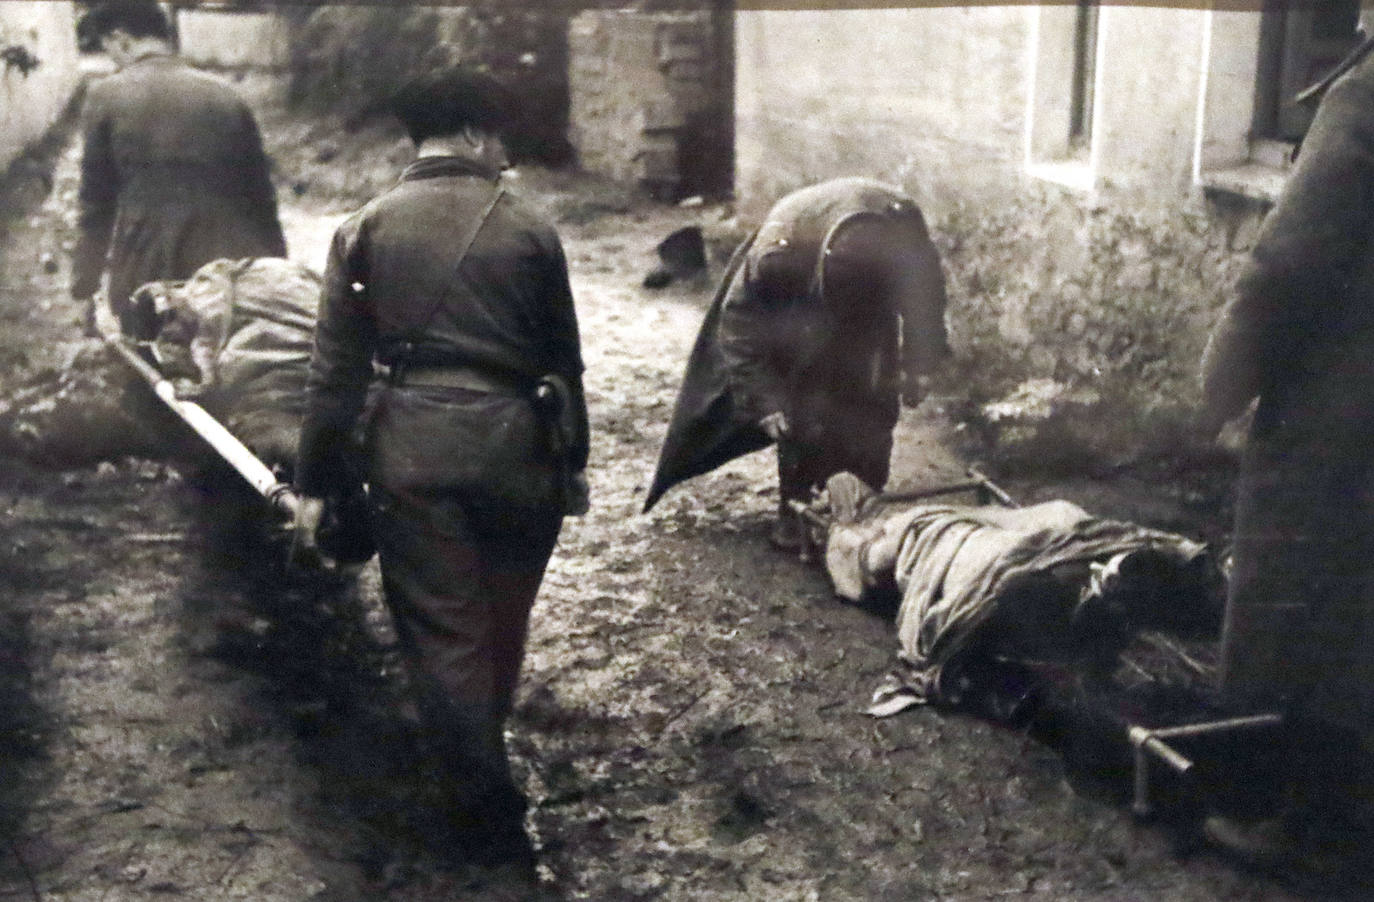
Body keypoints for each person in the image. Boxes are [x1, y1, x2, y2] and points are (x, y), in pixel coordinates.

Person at [292, 67, 589, 871]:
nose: (503, 154)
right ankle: (484, 769)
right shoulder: (531, 228)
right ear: (470, 134)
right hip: (519, 449)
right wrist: (575, 464)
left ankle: (480, 809)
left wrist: (316, 481)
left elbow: (334, 379)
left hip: (414, 454)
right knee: (502, 620)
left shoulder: (364, 229)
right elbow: (566, 362)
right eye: (498, 138)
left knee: (444, 634)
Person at [1198, 28, 1374, 868]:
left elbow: (1285, 269)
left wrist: (1214, 392)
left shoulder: (1365, 96)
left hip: (1346, 422)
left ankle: (1308, 826)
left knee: (1310, 606)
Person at [643, 178, 951, 549]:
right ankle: (796, 509)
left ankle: (865, 505)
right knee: (802, 399)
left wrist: (919, 363)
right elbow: (740, 324)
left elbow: (926, 301)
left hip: (867, 295)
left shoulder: (904, 237)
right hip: (800, 303)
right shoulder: (779, 255)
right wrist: (765, 401)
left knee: (874, 393)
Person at [72, 0, 286, 338]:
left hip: (151, 278)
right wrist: (277, 273)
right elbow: (261, 199)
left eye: (109, 49)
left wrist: (84, 286)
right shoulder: (227, 95)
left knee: (154, 376)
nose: (112, 61)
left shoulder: (105, 96)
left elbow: (96, 205)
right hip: (231, 276)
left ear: (121, 39)